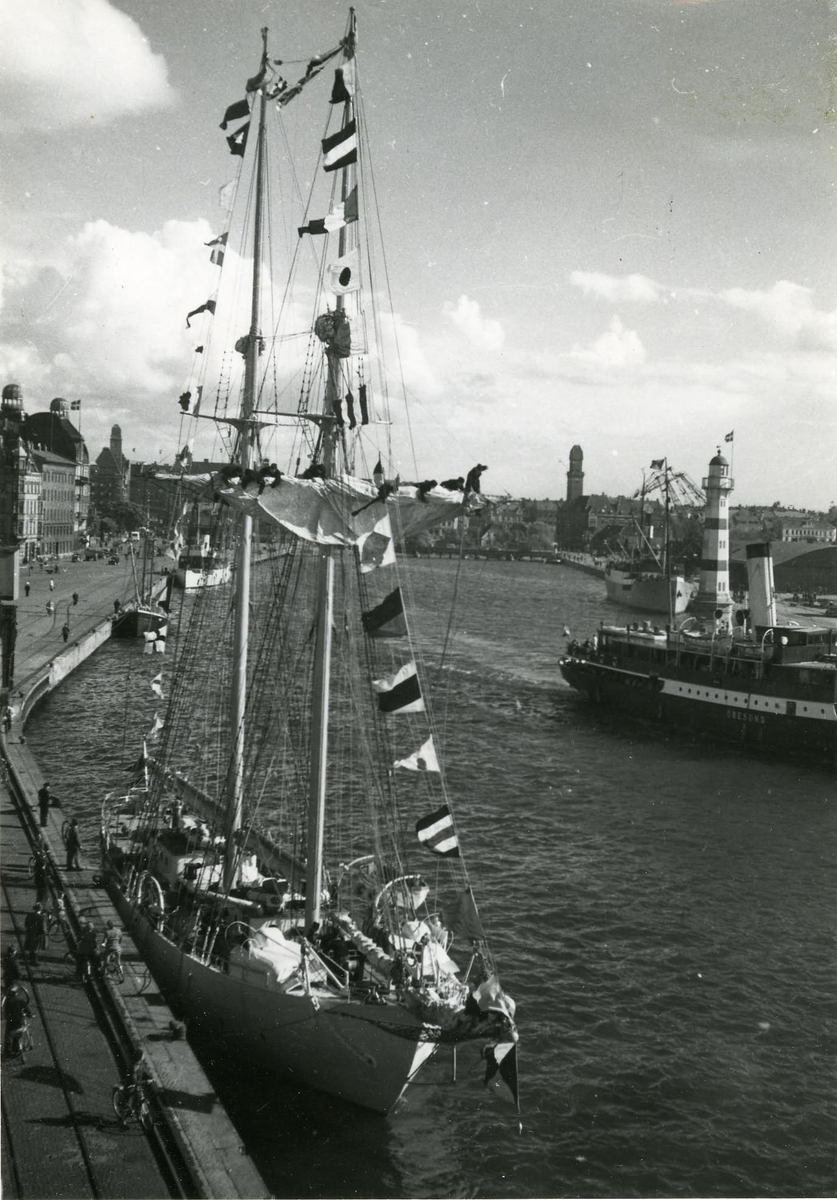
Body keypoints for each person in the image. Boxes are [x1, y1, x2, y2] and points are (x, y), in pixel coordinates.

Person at [2, 983, 32, 1056]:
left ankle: (7, 1050)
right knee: (18, 1035)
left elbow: (5, 1011)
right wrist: (29, 1015)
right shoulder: (20, 1001)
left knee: (8, 1034)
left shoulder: (7, 1002)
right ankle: (16, 1049)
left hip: (10, 1020)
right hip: (19, 1020)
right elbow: (27, 1010)